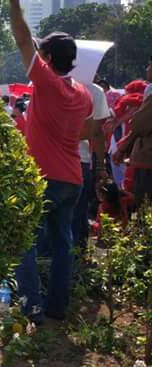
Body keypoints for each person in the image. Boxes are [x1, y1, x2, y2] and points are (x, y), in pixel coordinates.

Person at [3, 0, 92, 323]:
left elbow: (24, 41)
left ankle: (31, 306)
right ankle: (57, 307)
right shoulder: (83, 93)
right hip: (72, 178)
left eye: (43, 54)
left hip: (43, 178)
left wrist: (14, 3)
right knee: (63, 246)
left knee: (23, 241)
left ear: (49, 59)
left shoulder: (49, 84)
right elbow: (83, 130)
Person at [72, 82, 110, 250]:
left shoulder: (50, 84)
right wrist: (101, 167)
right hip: (81, 161)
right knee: (78, 213)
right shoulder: (95, 91)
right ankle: (77, 256)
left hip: (51, 160)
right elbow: (97, 132)